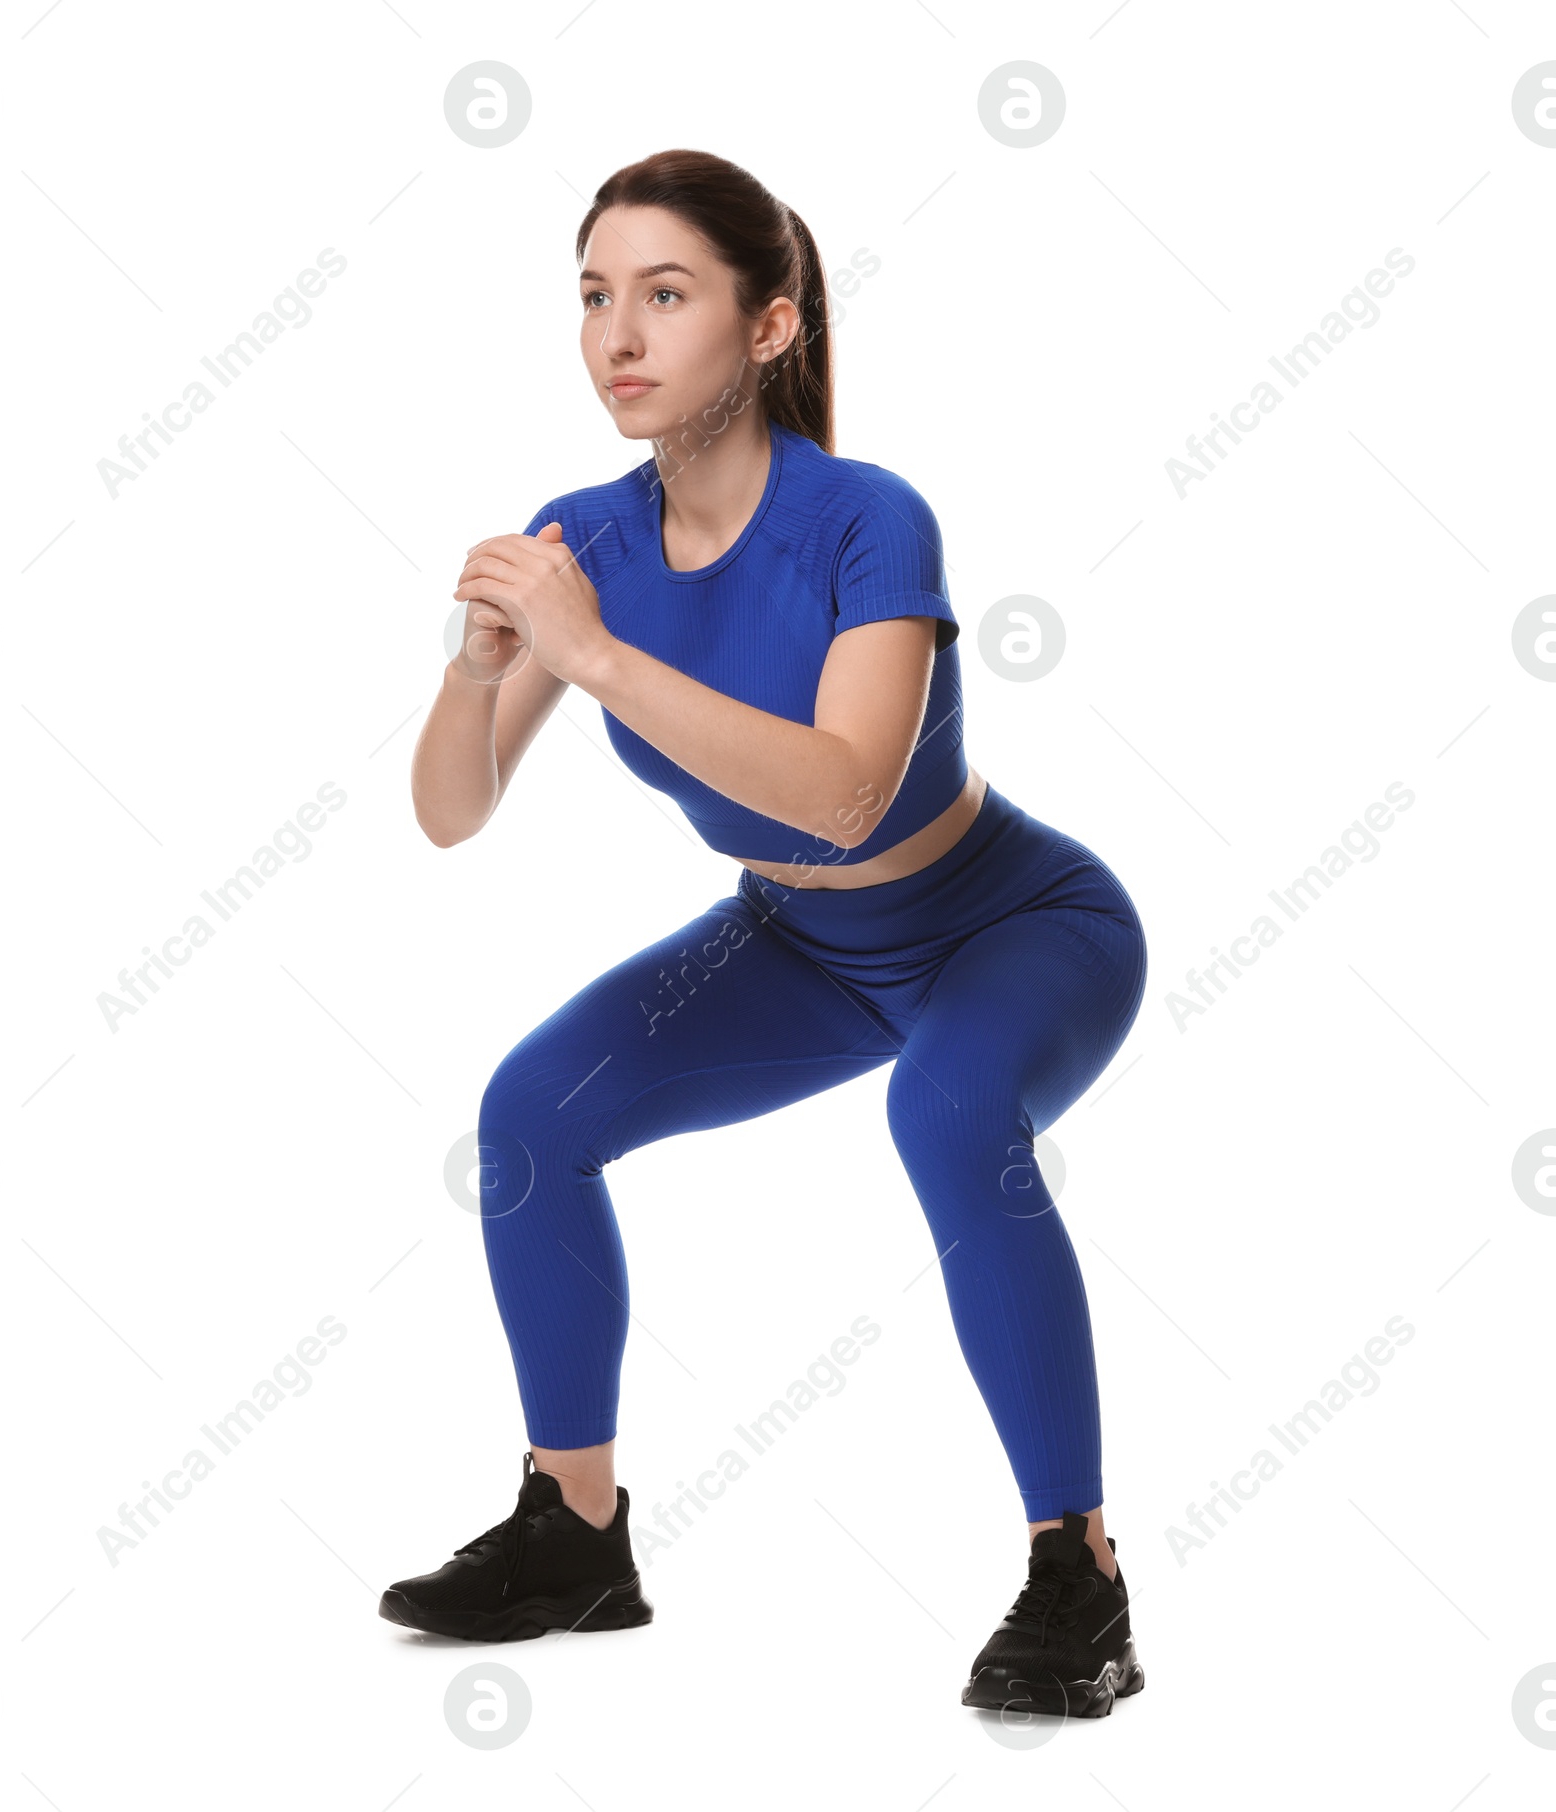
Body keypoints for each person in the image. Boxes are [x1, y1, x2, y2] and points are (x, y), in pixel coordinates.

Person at [381, 148, 1148, 1719]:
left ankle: (1079, 1577)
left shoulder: (869, 519)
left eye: (667, 295)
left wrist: (588, 654)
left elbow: (850, 794)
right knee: (532, 1117)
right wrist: (480, 669)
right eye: (595, 296)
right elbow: (450, 814)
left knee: (944, 1108)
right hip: (793, 944)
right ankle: (575, 1532)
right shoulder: (580, 538)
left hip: (1013, 923)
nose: (618, 335)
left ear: (773, 325)